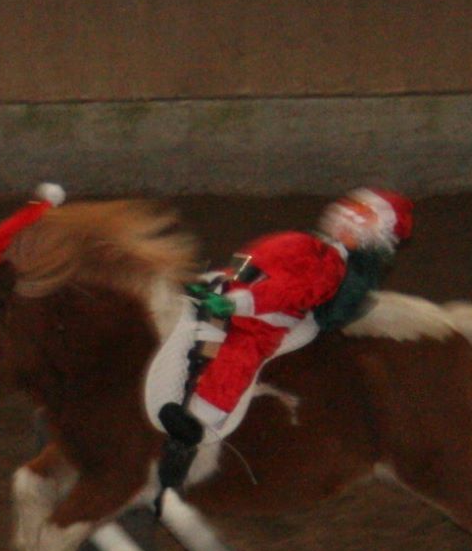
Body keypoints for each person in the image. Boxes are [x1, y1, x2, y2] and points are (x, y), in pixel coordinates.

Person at [156, 186, 414, 496]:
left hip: (260, 319)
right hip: (230, 291)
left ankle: (192, 431)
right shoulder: (301, 242)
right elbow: (253, 261)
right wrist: (221, 280)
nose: (349, 213)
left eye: (363, 214)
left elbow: (285, 293)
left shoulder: (328, 266)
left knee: (237, 358)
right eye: (353, 206)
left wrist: (237, 303)